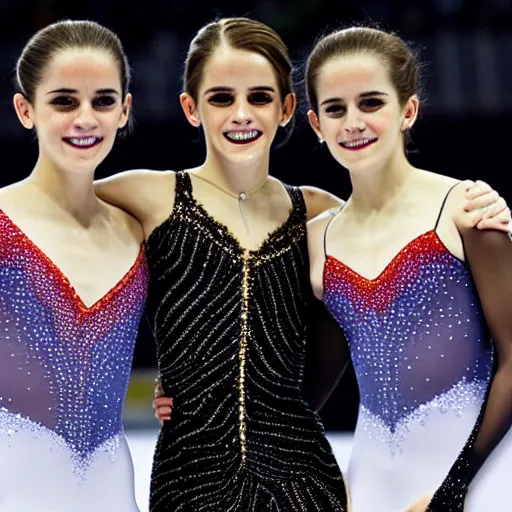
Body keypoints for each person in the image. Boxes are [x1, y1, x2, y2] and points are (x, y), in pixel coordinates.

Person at [95, 17, 509, 511]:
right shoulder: (154, 197)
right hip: (246, 476)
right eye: (221, 98)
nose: (241, 114)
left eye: (260, 97)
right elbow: (50, 212)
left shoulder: (354, 216)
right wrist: (198, 386)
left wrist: (453, 490)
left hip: (408, 477)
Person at [304, 25, 512, 512]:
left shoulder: (466, 208)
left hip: (483, 474)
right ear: (316, 124)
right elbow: (306, 390)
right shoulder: (319, 238)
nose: (352, 121)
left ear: (408, 111)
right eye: (336, 108)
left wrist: (453, 490)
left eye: (371, 103)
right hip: (371, 478)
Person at [0, 20, 147, 512]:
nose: (85, 118)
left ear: (125, 110)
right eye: (64, 101)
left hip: (111, 487)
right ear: (26, 110)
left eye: (103, 101)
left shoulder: (137, 230)